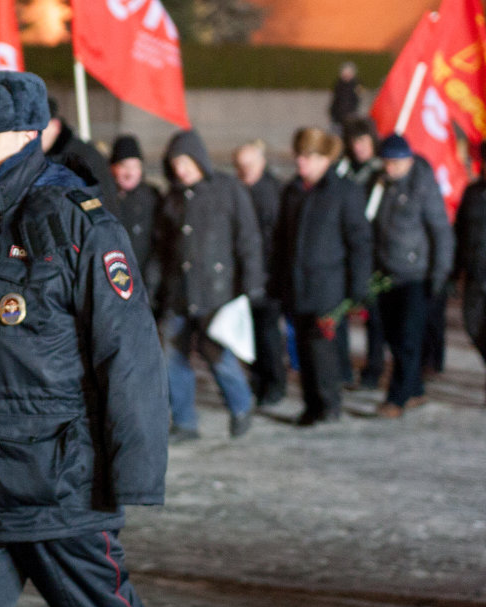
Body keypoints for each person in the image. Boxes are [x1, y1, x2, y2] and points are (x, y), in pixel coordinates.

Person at [0, 70, 167, 607]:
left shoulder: (76, 221)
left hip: (57, 490)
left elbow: (127, 352)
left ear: (30, 134)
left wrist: (134, 474)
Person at [154, 128, 262, 442]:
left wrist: (251, 284)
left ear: (200, 159)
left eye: (186, 161)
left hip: (217, 292)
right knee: (173, 356)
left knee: (216, 353)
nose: (181, 169)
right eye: (175, 163)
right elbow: (162, 250)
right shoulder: (172, 198)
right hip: (179, 292)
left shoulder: (227, 189)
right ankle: (185, 422)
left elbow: (248, 239)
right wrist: (154, 291)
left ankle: (241, 406)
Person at [269, 129, 372, 425]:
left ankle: (328, 404)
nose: (302, 163)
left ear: (325, 159)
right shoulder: (293, 191)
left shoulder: (344, 191)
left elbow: (359, 241)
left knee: (321, 346)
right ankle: (311, 403)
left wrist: (358, 286)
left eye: (310, 157)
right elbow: (281, 239)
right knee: (301, 345)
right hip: (296, 283)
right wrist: (277, 281)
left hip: (329, 285)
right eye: (299, 156)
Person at [369, 134, 453, 418]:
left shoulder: (422, 186)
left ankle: (397, 398)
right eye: (386, 162)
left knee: (407, 338)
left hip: (416, 276)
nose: (389, 168)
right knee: (393, 336)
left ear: (407, 160)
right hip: (385, 273)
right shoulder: (380, 185)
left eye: (394, 162)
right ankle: (415, 389)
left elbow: (441, 231)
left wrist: (439, 275)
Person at [233, 139, 287, 406]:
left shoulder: (271, 192)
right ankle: (259, 381)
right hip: (247, 274)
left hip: (268, 275)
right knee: (251, 334)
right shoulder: (240, 190)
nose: (244, 171)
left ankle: (274, 383)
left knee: (268, 334)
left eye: (248, 166)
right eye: (239, 166)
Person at [337, 117, 386, 389]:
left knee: (374, 318)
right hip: (344, 253)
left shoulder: (380, 175)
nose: (359, 148)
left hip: (373, 256)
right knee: (340, 315)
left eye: (364, 141)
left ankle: (374, 368)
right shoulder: (342, 173)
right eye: (354, 142)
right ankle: (342, 368)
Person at [40, 96, 118, 209]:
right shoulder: (39, 156)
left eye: (40, 130)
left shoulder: (83, 157)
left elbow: (100, 202)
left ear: (56, 125)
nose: (34, 135)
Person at [453, 141, 486, 403]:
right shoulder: (473, 193)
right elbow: (459, 233)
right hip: (475, 275)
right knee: (473, 326)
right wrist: (453, 273)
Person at [108, 134, 159, 271]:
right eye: (124, 166)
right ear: (112, 167)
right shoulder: (105, 198)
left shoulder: (152, 197)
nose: (130, 173)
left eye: (135, 166)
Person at [328, 61, 362, 134]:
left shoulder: (355, 86)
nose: (345, 74)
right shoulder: (338, 84)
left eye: (348, 72)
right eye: (344, 72)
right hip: (337, 118)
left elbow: (355, 102)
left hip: (349, 118)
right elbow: (335, 100)